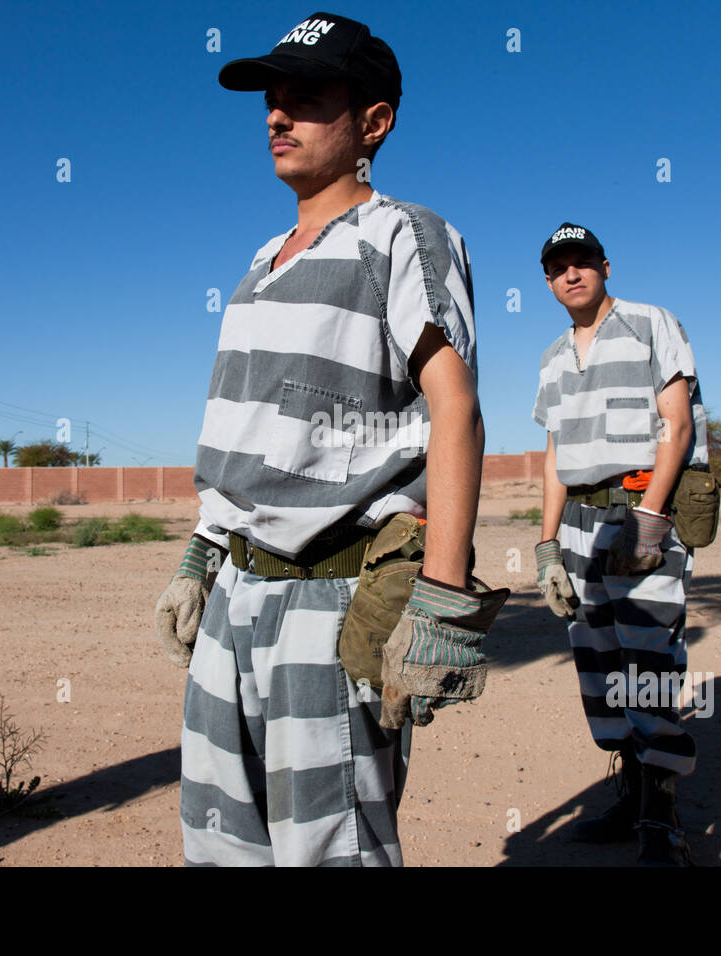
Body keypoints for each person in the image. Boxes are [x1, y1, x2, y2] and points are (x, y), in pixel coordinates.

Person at [154, 12, 505, 866]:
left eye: (305, 98)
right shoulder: (263, 257)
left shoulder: (402, 234)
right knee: (219, 842)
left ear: (373, 122)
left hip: (332, 600)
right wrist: (201, 555)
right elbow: (248, 427)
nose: (277, 116)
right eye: (272, 100)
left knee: (328, 849)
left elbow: (454, 408)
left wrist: (441, 599)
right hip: (234, 597)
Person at [531, 223, 709, 866]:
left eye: (582, 262)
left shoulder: (650, 323)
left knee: (650, 666)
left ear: (605, 267)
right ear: (547, 281)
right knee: (601, 668)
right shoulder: (553, 355)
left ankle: (662, 824)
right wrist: (547, 544)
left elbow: (677, 422)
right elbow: (555, 455)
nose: (571, 274)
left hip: (638, 510)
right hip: (579, 523)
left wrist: (652, 519)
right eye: (558, 268)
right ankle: (631, 797)